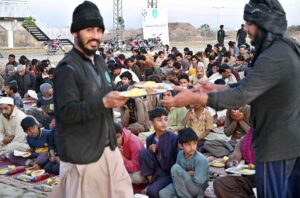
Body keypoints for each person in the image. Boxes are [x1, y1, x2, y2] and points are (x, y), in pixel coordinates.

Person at [160, 0, 300, 197]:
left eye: (249, 23)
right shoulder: (282, 48)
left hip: (277, 147)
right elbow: (249, 85)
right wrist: (216, 87)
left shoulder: (275, 55)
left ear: (263, 23)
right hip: (287, 144)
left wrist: (196, 98)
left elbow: (242, 95)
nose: (246, 28)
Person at [51, 1, 133, 198]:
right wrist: (104, 102)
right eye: (89, 29)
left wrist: (120, 97)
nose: (95, 36)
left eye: (99, 30)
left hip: (108, 147)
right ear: (75, 33)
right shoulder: (67, 69)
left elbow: (104, 95)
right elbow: (67, 112)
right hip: (83, 155)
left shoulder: (99, 62)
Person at [159, 128, 209, 198]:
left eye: (194, 143)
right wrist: (187, 174)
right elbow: (176, 175)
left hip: (197, 189)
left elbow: (198, 182)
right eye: (188, 144)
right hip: (182, 184)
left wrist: (183, 174)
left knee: (175, 168)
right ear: (180, 146)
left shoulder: (200, 159)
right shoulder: (180, 154)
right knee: (163, 194)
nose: (192, 147)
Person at [139, 108, 178, 198]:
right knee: (144, 153)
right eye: (159, 120)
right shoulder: (150, 139)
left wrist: (159, 149)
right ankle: (151, 182)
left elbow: (176, 160)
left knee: (152, 191)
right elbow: (151, 159)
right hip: (156, 172)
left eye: (165, 119)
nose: (164, 122)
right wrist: (151, 151)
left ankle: (152, 185)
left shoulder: (173, 138)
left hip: (168, 173)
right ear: (152, 123)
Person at [213, 129, 256, 198]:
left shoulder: (274, 138)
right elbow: (235, 156)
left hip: (270, 182)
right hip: (249, 181)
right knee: (220, 183)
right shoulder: (246, 139)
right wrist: (231, 162)